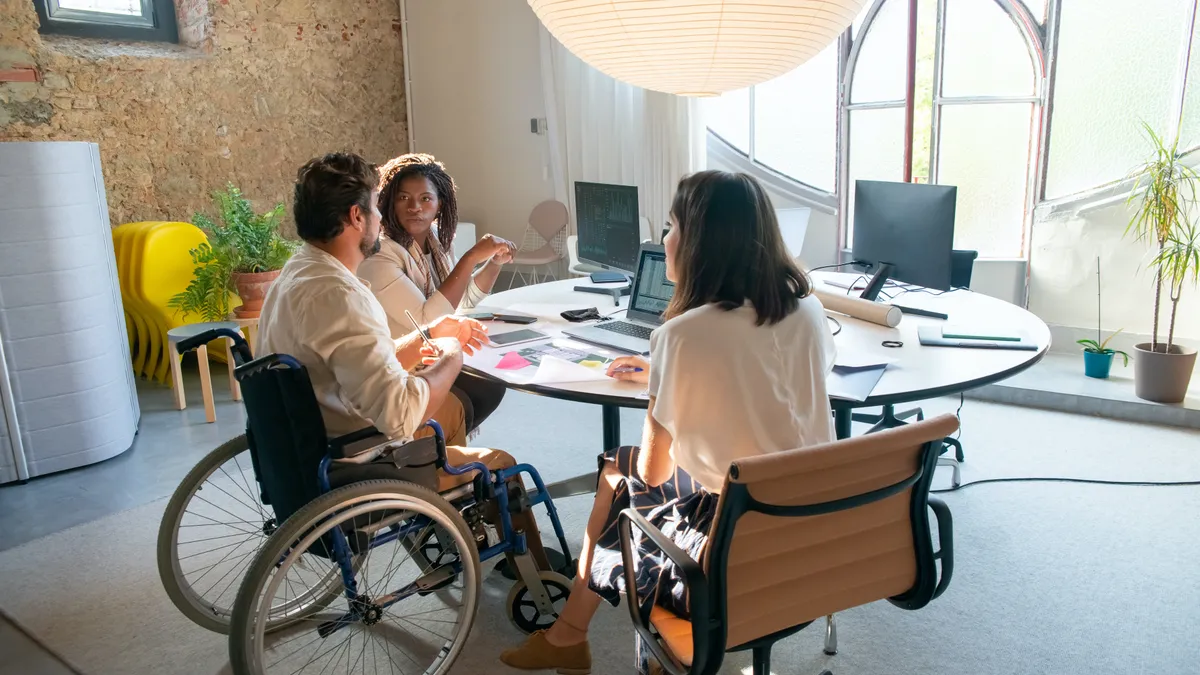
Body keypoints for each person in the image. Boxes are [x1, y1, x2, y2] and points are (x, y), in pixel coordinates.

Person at [499, 170, 837, 674]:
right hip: (812, 522)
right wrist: (672, 376)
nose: (664, 240)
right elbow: (774, 383)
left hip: (732, 537)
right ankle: (571, 633)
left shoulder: (682, 335)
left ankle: (575, 635)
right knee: (618, 471)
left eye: (673, 226)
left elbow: (655, 473)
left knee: (620, 479)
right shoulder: (806, 309)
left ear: (701, 241)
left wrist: (669, 381)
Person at [256, 151, 548, 568]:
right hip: (360, 458)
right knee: (501, 464)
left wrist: (428, 335)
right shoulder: (344, 295)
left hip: (305, 443)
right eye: (378, 206)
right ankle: (538, 578)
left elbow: (350, 359)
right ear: (358, 216)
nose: (382, 218)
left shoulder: (297, 273)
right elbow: (399, 415)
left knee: (459, 397)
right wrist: (449, 354)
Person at [358, 152, 514, 436]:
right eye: (403, 198)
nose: (415, 207)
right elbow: (430, 318)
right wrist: (470, 258)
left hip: (431, 355)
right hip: (400, 369)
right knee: (478, 384)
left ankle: (443, 449)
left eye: (425, 199)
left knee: (492, 375)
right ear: (389, 201)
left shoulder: (436, 243)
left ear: (440, 204)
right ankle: (432, 448)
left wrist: (493, 263)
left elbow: (460, 302)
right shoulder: (380, 255)